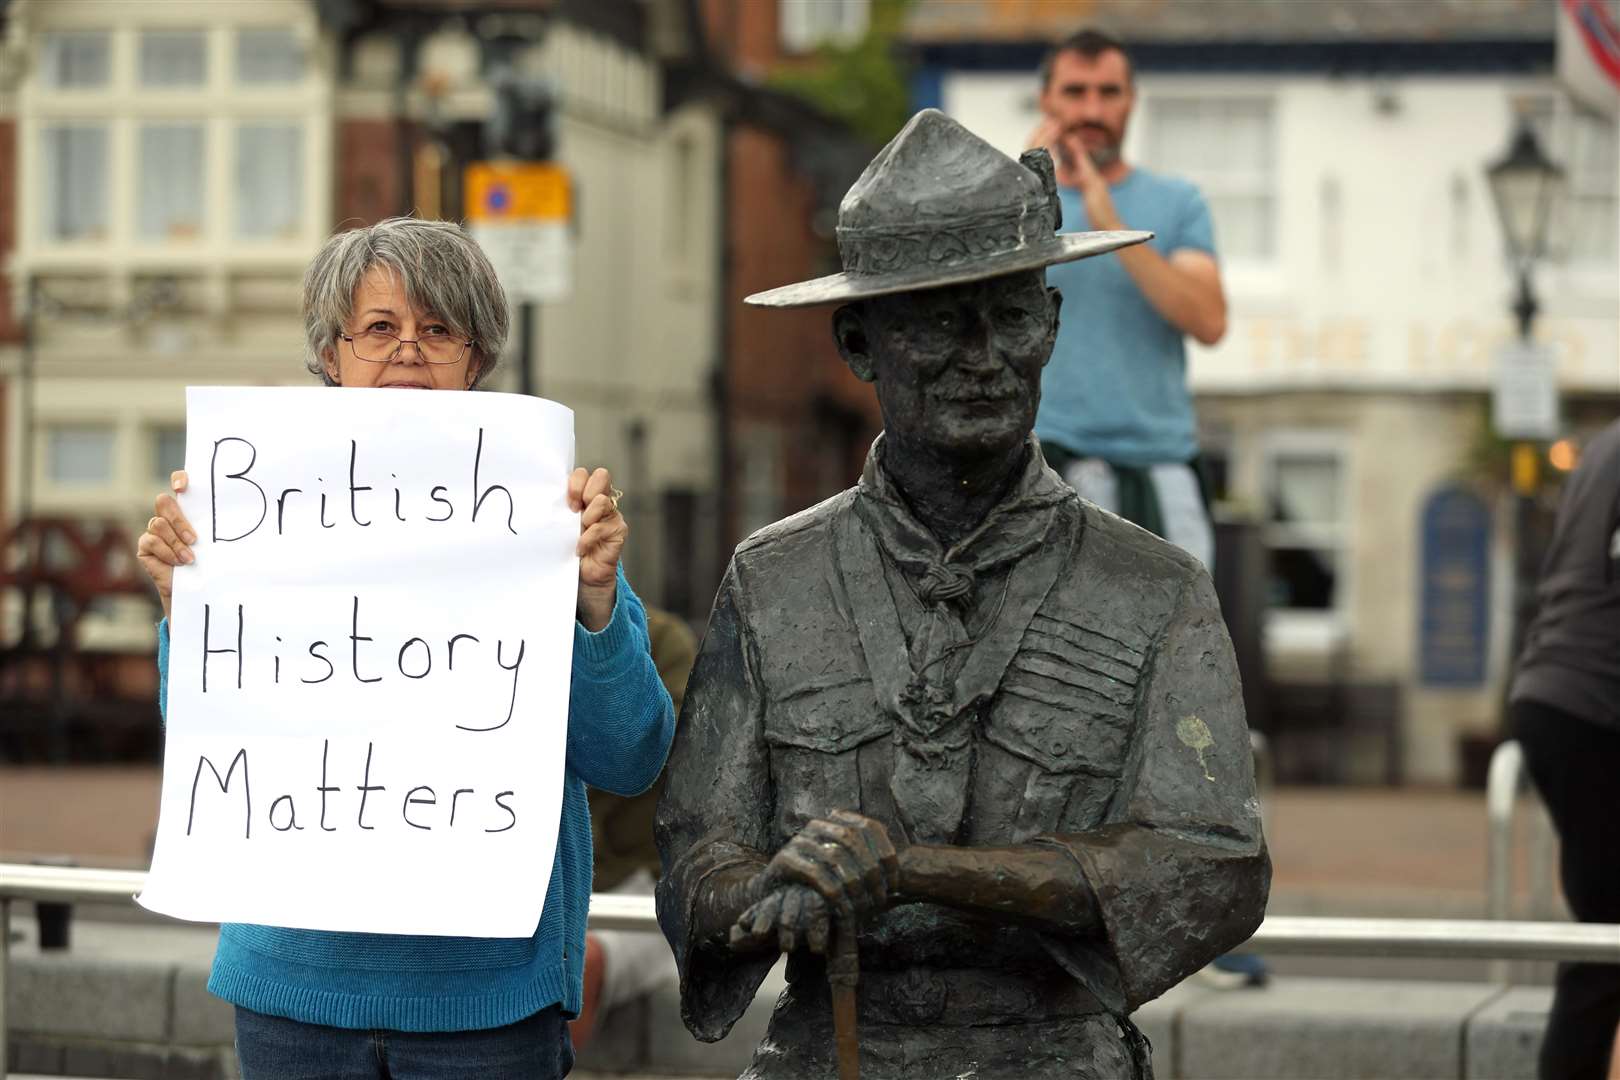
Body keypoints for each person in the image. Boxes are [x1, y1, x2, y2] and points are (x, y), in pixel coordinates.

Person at [654, 109, 1268, 1080]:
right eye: (942, 321)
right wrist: (779, 882)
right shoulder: (772, 582)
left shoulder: (1153, 590)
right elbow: (693, 869)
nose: (985, 354)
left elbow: (1213, 867)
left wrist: (919, 873)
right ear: (859, 340)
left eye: (1013, 314)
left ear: (1052, 326)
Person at [135, 216, 676, 1080]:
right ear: (333, 353)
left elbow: (631, 755)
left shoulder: (547, 523)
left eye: (438, 330)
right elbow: (214, 745)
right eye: (381, 328)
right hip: (291, 990)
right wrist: (184, 608)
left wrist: (599, 602)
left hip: (490, 1003)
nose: (409, 352)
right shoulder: (257, 509)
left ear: (477, 357)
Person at [1026, 28, 1227, 571]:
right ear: (1047, 100)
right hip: (1043, 466)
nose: (1092, 109)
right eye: (1075, 92)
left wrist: (1108, 219)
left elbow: (1208, 321)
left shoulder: (1176, 202)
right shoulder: (1010, 202)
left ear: (1131, 100)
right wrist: (1022, 194)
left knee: (1180, 648)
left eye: (1108, 92)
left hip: (1158, 467)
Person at [1509, 417, 1620, 1080]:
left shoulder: (1604, 444)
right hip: (1599, 707)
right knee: (1607, 937)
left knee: (1603, 936)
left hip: (1556, 697)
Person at [572, 605, 698, 1048]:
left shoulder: (662, 641)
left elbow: (654, 750)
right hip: (535, 875)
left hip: (636, 880)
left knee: (577, 961)